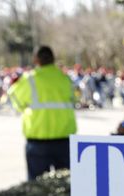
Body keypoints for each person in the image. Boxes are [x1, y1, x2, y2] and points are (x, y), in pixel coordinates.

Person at [7, 46, 77, 181]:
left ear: (35, 60)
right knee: (67, 185)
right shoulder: (65, 79)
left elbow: (14, 99)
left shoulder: (29, 79)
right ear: (53, 59)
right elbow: (75, 98)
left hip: (37, 140)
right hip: (64, 140)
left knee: (36, 187)